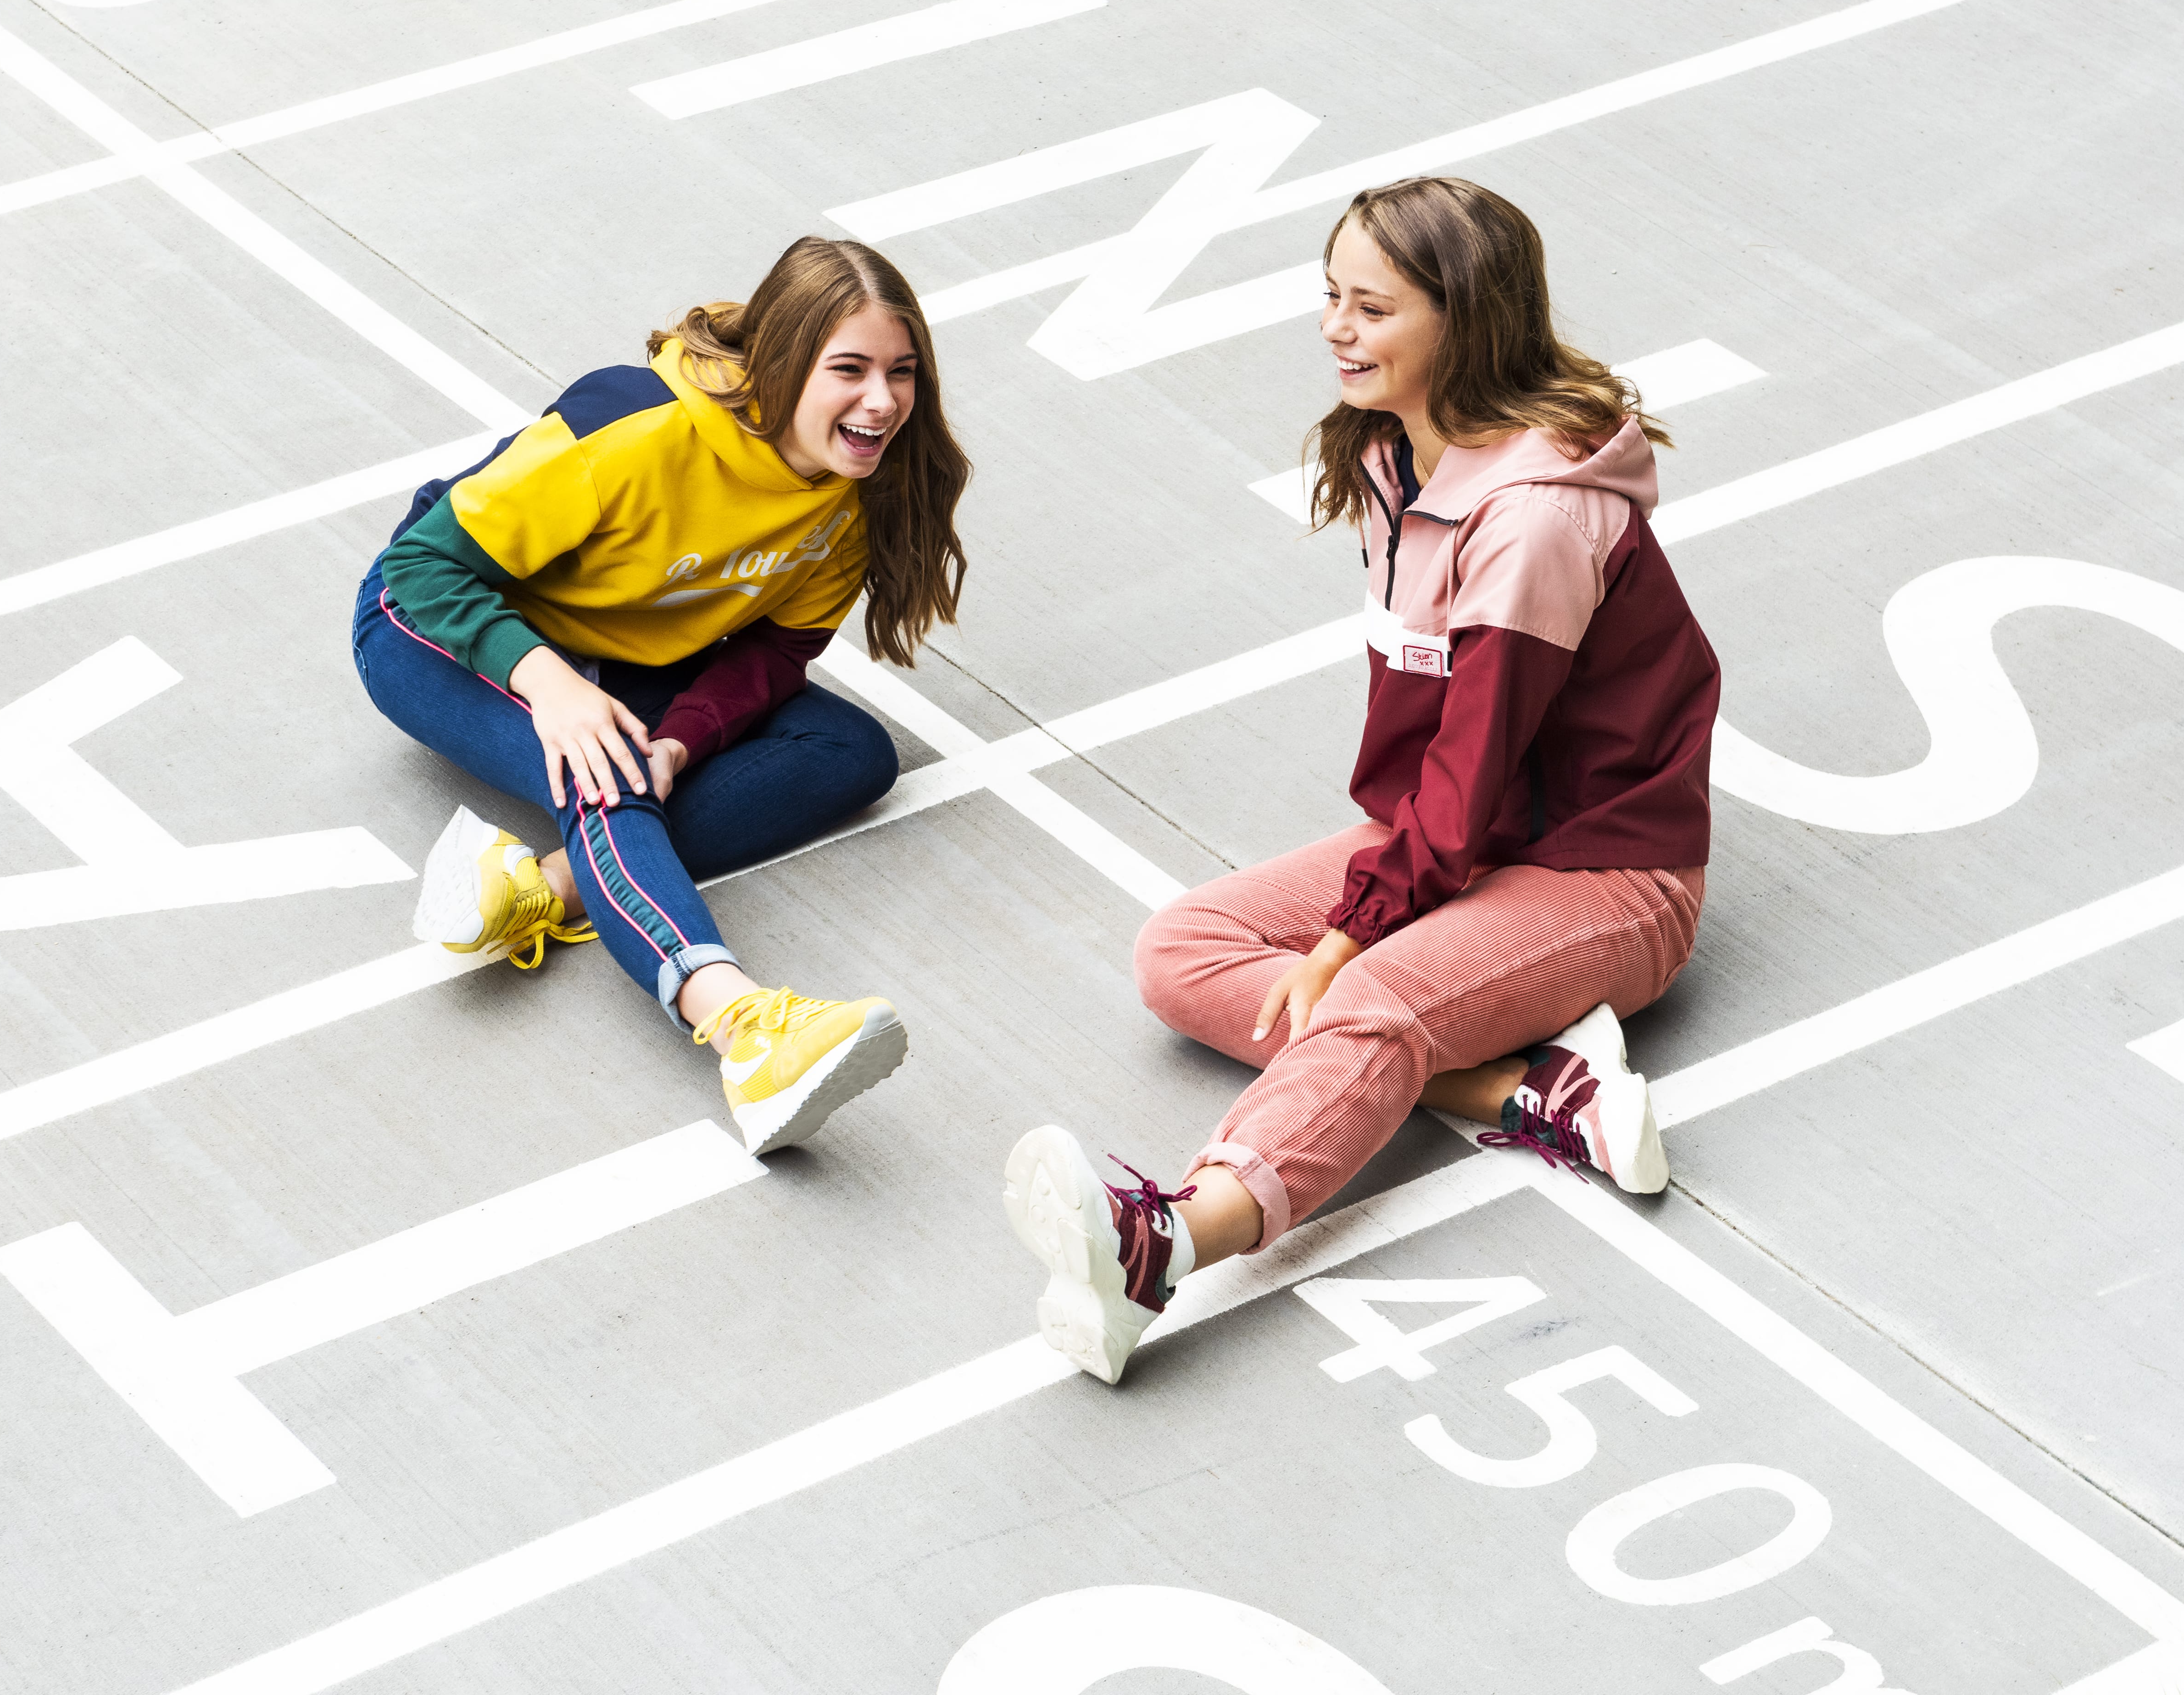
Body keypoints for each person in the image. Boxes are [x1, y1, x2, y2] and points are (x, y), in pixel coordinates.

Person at [1003, 177, 1721, 1383]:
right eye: (1329, 297)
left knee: (1366, 998)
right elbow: (1443, 778)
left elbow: (1476, 767)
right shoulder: (1396, 454)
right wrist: (1375, 907)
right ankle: (1522, 1088)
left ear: (1464, 319)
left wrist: (1359, 929)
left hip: (1606, 871)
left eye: (1372, 308)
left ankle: (1169, 1245)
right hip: (1467, 841)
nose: (1337, 328)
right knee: (1179, 950)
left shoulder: (1536, 516)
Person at [353, 236, 970, 1154]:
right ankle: (742, 1029)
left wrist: (683, 738)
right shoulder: (632, 424)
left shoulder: (852, 493)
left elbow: (771, 655)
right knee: (603, 769)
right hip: (446, 628)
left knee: (851, 751)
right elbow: (421, 567)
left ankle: (554, 883)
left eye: (902, 372)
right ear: (784, 362)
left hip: (627, 647)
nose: (882, 402)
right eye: (850, 369)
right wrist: (550, 686)